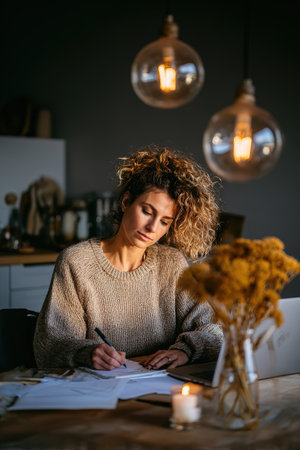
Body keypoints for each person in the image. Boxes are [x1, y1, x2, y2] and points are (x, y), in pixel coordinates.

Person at [34, 147, 223, 370]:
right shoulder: (76, 263)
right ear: (126, 202)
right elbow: (50, 347)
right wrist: (87, 353)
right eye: (147, 211)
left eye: (164, 221)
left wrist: (184, 351)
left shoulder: (172, 264)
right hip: (97, 391)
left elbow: (213, 332)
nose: (152, 227)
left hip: (160, 387)